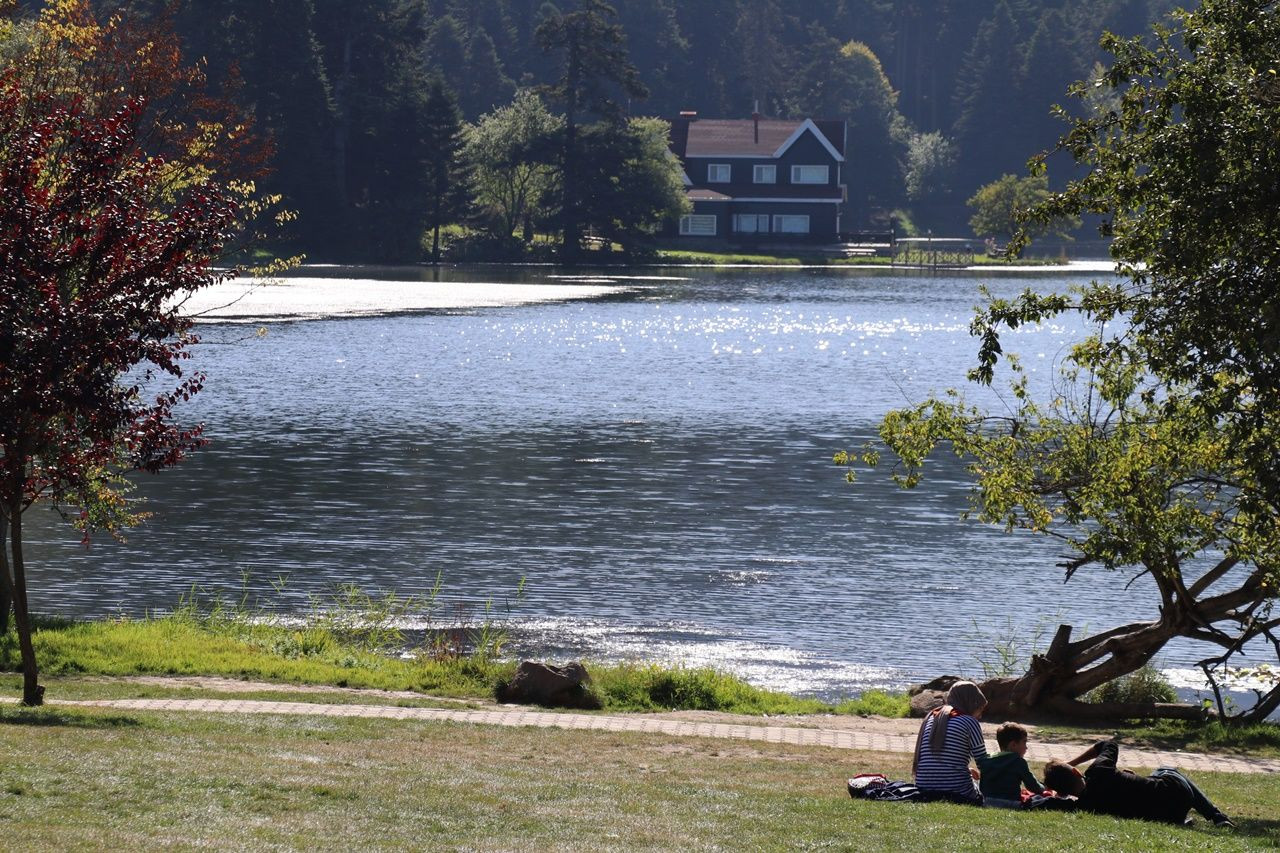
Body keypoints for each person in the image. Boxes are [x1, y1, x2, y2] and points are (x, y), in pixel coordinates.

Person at [1043, 739, 1234, 827]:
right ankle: (1216, 816)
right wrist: (1070, 763)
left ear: (1061, 792)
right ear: (1076, 772)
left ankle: (1195, 820)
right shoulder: (1098, 771)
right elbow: (1108, 744)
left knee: (1152, 785)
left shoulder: (1085, 806)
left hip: (1168, 816)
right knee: (1166, 770)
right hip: (1178, 796)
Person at [912, 680, 989, 804]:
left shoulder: (931, 716)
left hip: (922, 787)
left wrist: (967, 769)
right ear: (971, 703)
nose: (980, 716)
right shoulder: (969, 722)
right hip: (957, 791)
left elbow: (938, 758)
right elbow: (983, 764)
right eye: (980, 709)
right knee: (979, 787)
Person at [978, 722, 1044, 808]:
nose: (1026, 747)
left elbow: (982, 786)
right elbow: (1033, 786)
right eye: (1024, 742)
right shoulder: (1018, 762)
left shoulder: (986, 760)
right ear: (1013, 745)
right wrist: (1043, 788)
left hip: (988, 802)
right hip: (1011, 803)